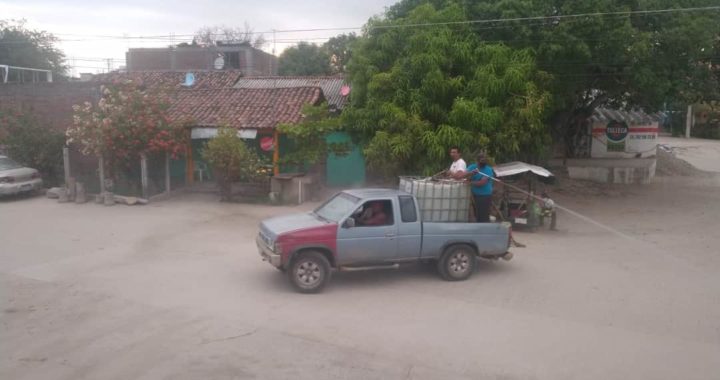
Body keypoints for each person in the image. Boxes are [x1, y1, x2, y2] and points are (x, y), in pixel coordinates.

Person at [465, 153, 494, 223]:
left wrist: (470, 183)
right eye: (482, 161)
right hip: (474, 195)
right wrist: (470, 174)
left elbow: (482, 183)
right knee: (476, 214)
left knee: (483, 215)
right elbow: (464, 175)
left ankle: (484, 230)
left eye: (485, 161)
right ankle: (479, 229)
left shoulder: (488, 169)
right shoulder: (472, 167)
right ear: (477, 161)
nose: (484, 162)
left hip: (484, 195)